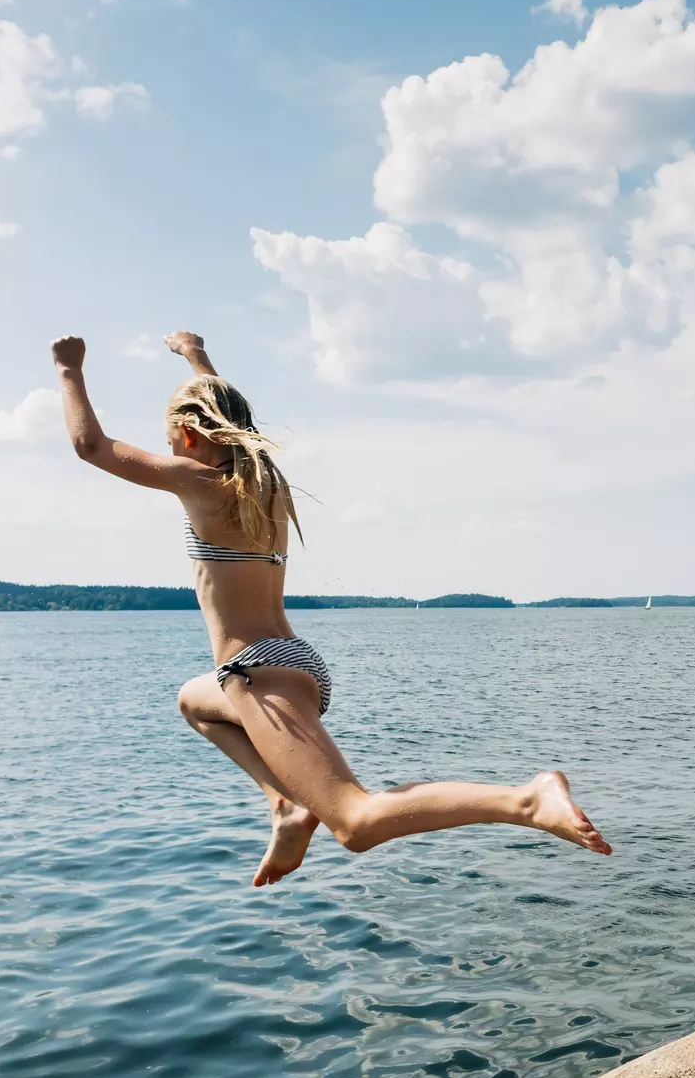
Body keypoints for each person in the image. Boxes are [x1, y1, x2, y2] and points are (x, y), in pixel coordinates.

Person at [50, 330, 611, 886]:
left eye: (171, 438)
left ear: (191, 437)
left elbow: (91, 447)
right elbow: (228, 414)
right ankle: (287, 806)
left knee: (355, 822)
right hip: (288, 661)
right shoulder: (265, 482)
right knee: (194, 702)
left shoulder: (202, 481)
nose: (169, 449)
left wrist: (69, 369)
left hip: (258, 671)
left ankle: (525, 801)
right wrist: (196, 357)